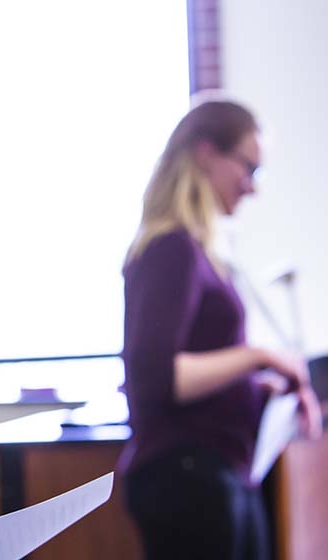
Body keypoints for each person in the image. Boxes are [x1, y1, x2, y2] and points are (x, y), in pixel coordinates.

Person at [119, 99, 321, 560]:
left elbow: (198, 371)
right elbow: (156, 379)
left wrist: (259, 388)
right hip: (186, 477)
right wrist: (256, 357)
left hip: (218, 472)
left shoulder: (198, 251)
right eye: (248, 168)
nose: (252, 187)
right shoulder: (170, 249)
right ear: (206, 153)